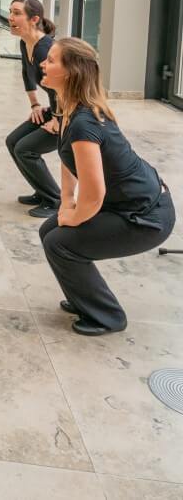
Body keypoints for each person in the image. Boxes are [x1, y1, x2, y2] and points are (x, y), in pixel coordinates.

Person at [38, 37, 175, 336]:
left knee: (59, 242)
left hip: (146, 217)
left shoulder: (85, 123)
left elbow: (94, 193)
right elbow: (67, 159)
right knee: (49, 230)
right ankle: (82, 298)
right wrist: (65, 201)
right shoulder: (71, 108)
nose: (42, 64)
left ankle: (107, 317)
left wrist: (74, 216)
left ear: (72, 72)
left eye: (51, 60)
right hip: (124, 204)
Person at [5, 0, 61, 219]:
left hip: (73, 113)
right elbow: (26, 74)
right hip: (57, 107)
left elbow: (61, 88)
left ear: (34, 19)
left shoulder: (45, 48)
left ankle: (55, 200)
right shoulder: (25, 42)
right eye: (10, 12)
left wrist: (57, 119)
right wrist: (36, 104)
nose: (10, 17)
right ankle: (42, 191)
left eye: (17, 13)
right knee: (13, 141)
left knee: (25, 149)